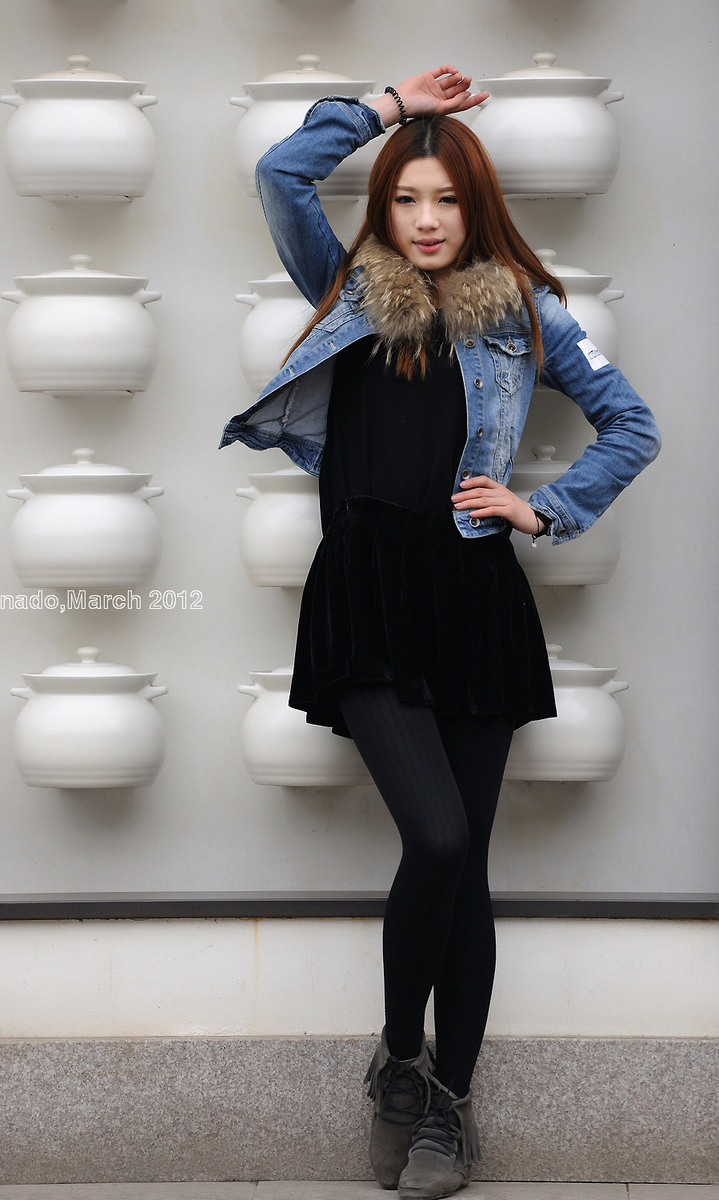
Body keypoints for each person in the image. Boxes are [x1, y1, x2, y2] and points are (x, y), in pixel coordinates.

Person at [221, 65, 660, 1200]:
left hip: (473, 600)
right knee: (440, 838)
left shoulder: (523, 312)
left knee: (467, 871)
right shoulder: (345, 288)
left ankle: (447, 1111)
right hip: (365, 589)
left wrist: (543, 508)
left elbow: (630, 424)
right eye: (407, 198)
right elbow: (279, 173)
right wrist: (384, 108)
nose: (425, 219)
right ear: (385, 207)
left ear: (476, 208)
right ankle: (398, 1063)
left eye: (447, 201)